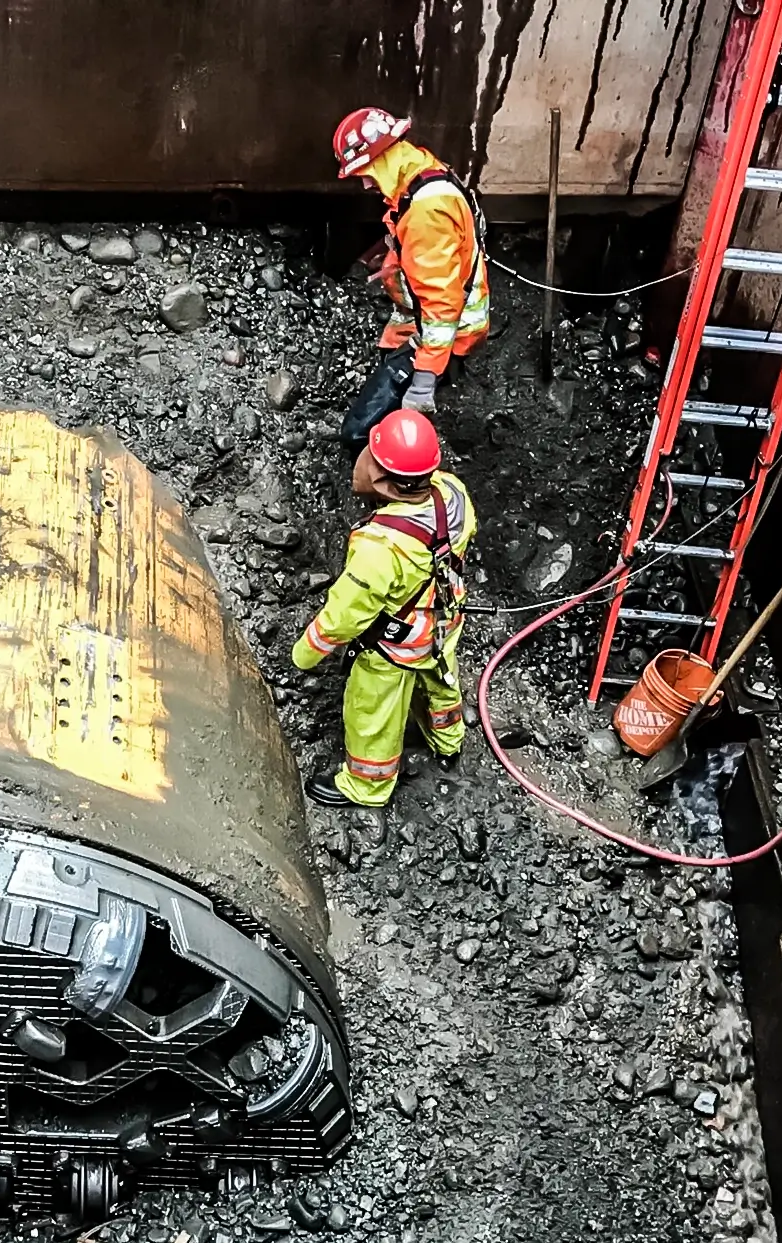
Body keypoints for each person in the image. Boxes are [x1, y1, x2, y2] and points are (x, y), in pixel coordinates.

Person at [293, 409, 477, 809]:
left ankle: (367, 786)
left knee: (372, 712)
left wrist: (305, 653)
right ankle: (448, 741)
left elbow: (347, 612)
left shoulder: (382, 545)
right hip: (444, 620)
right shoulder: (452, 492)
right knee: (442, 681)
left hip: (396, 645)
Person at [330, 108, 491, 443]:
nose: (363, 182)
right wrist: (390, 263)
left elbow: (442, 307)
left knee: (359, 432)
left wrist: (423, 382)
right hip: (418, 322)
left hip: (441, 333)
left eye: (364, 171)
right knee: (387, 371)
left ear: (384, 155)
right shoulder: (421, 172)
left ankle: (397, 475)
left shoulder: (425, 213)